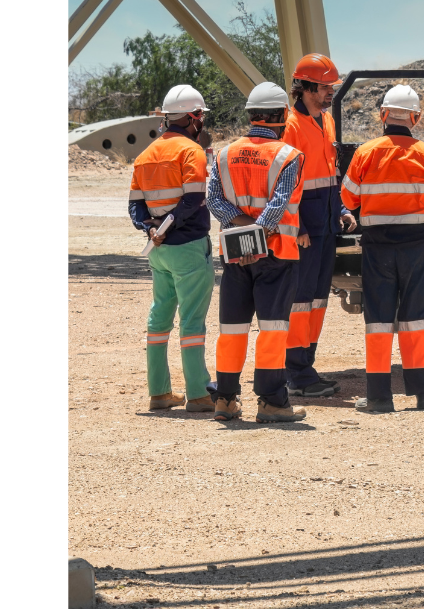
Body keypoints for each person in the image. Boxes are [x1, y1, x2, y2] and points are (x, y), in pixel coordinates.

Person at [340, 85, 424, 414]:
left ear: (383, 115)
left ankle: (378, 398)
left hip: (378, 250)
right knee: (418, 319)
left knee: (378, 322)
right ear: (414, 118)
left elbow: (348, 199)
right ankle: (423, 394)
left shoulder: (365, 152)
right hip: (418, 248)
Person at [205, 82, 307, 424]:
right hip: (275, 255)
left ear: (251, 115)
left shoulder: (223, 154)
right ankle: (272, 402)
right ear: (281, 116)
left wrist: (243, 237)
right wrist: (256, 240)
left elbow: (215, 201)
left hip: (234, 256)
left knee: (232, 329)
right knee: (273, 329)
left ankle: (225, 400)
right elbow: (278, 206)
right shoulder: (289, 156)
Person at [129, 85, 216, 413]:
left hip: (159, 250)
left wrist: (152, 228)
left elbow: (136, 208)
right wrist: (170, 224)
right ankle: (197, 393)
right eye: (201, 117)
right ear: (193, 118)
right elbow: (193, 200)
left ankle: (160, 392)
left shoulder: (145, 155)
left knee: (160, 316)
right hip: (189, 247)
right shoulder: (191, 152)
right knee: (192, 321)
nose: (202, 122)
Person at [281, 54, 358, 398]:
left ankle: (305, 365)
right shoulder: (291, 126)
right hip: (305, 229)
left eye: (331, 88)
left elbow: (329, 173)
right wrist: (295, 225)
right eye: (325, 88)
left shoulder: (325, 121)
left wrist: (341, 207)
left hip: (326, 223)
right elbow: (285, 181)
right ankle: (294, 371)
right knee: (300, 300)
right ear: (307, 87)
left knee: (316, 300)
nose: (330, 93)